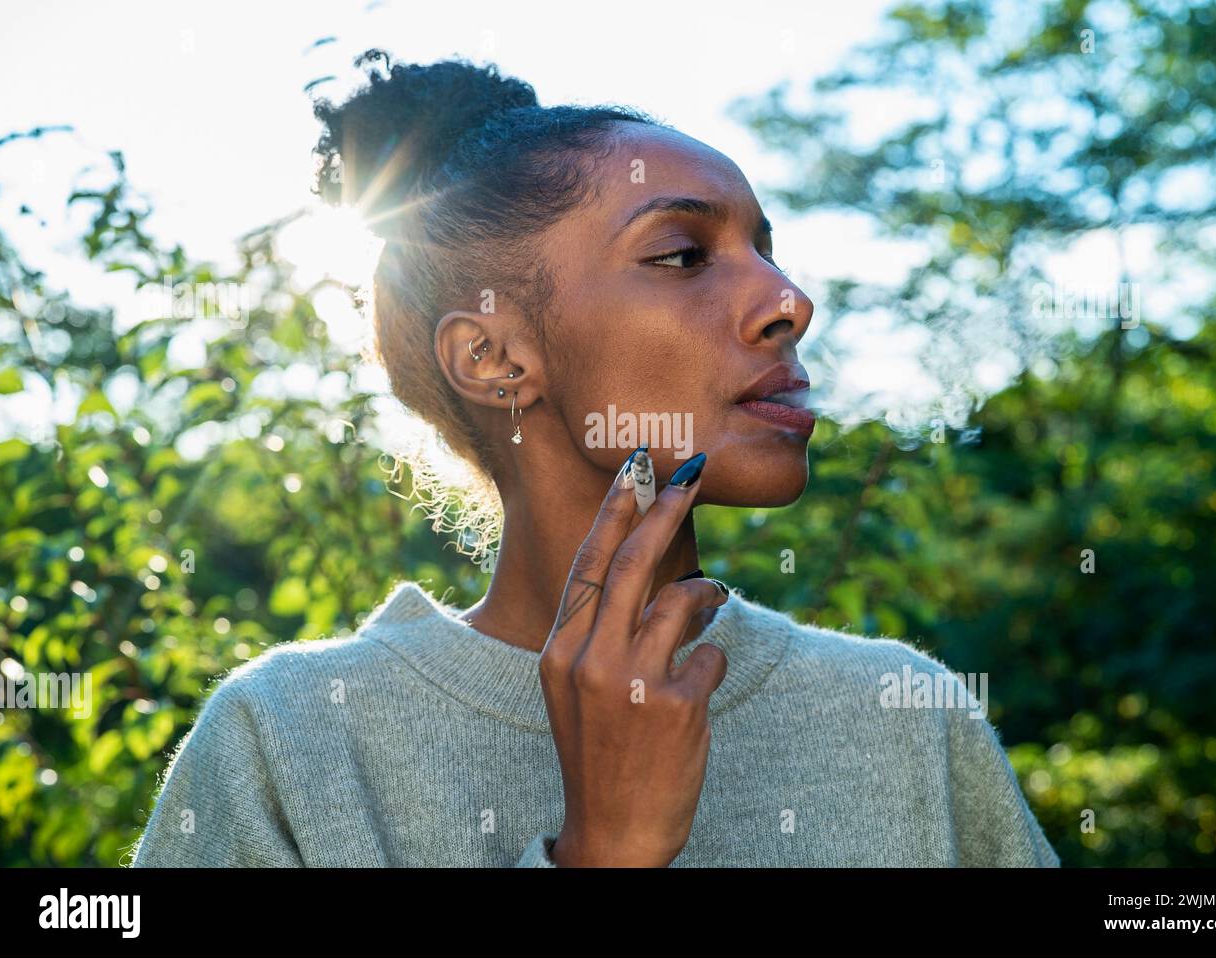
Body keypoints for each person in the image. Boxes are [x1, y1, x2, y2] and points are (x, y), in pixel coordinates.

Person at [129, 50, 1059, 868]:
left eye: (766, 251)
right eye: (684, 256)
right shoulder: (289, 743)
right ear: (494, 360)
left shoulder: (901, 719)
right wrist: (602, 856)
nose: (788, 302)